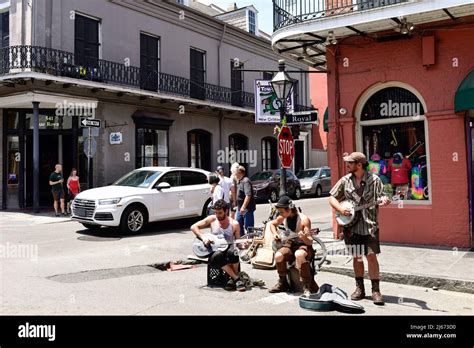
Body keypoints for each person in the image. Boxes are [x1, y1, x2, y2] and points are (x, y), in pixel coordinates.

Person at [329, 152, 390, 305]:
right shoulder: (345, 181)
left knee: (371, 256)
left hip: (370, 226)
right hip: (352, 226)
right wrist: (341, 209)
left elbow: (383, 196)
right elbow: (331, 197)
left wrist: (385, 201)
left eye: (350, 163)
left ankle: (376, 290)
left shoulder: (374, 180)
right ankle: (359, 288)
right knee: (357, 257)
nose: (347, 165)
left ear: (359, 165)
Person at [268, 196, 319, 297]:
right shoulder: (283, 217)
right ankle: (282, 283)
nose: (280, 214)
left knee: (299, 254)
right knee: (278, 255)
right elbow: (272, 224)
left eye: (282, 212)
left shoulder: (304, 220)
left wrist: (304, 237)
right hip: (290, 244)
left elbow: (309, 242)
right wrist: (275, 234)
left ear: (289, 209)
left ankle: (306, 286)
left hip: (303, 246)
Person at [190, 199, 246, 291]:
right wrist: (203, 237)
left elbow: (238, 242)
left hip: (228, 249)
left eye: (220, 213)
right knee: (217, 256)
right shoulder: (212, 219)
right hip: (215, 251)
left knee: (234, 252)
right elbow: (193, 227)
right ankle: (236, 279)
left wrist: (243, 246)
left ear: (226, 211)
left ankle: (232, 279)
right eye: (216, 212)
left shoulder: (234, 224)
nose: (218, 215)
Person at [234, 165, 256, 236]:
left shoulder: (246, 181)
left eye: (235, 172)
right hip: (240, 208)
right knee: (238, 224)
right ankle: (242, 240)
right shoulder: (240, 181)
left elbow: (248, 195)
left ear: (240, 172)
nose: (234, 174)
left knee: (249, 227)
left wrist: (243, 207)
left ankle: (251, 241)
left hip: (247, 208)